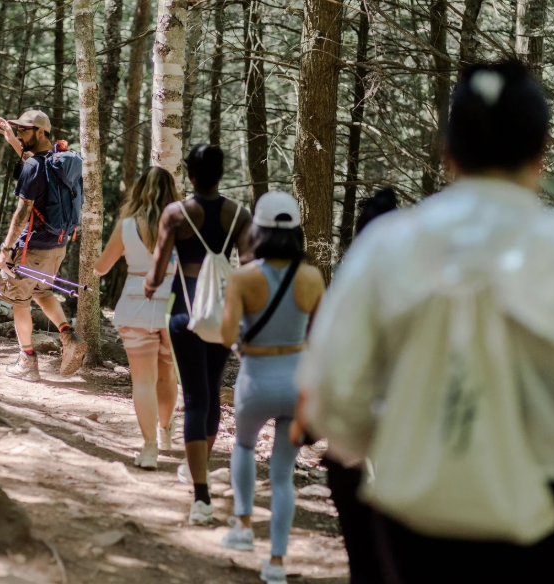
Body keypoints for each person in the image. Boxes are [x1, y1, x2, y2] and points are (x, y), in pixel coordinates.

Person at [293, 61, 554, 584]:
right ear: (541, 153)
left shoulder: (387, 246)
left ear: (449, 152)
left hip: (413, 517)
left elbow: (334, 391)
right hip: (552, 520)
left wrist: (392, 447)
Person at [218, 191, 324, 583]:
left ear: (257, 230)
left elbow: (227, 334)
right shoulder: (312, 277)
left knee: (244, 446)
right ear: (296, 231)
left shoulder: (244, 277)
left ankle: (243, 529)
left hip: (256, 379)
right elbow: (321, 336)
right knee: (283, 475)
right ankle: (277, 564)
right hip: (296, 383)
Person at [145, 144, 253, 525]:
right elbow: (251, 268)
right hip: (224, 316)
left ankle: (201, 495)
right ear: (221, 173)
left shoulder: (175, 214)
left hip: (184, 316)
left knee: (194, 397)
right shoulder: (239, 214)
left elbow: (158, 271)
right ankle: (200, 470)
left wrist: (148, 285)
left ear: (189, 174)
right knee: (210, 393)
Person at [319, 187, 397, 584]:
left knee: (363, 563)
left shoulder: (351, 285)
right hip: (403, 449)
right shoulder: (424, 283)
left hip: (352, 449)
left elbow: (326, 365)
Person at [94, 167, 182, 469]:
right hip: (175, 305)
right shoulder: (186, 225)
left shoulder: (127, 224)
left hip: (135, 304)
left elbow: (102, 266)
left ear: (139, 189)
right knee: (167, 373)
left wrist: (96, 267)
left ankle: (149, 448)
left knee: (142, 380)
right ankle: (166, 431)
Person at [0, 110, 86, 381]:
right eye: (18, 130)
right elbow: (34, 165)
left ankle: (27, 361)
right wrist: (15, 142)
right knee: (43, 293)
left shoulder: (34, 166)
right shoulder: (59, 161)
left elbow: (23, 212)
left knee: (19, 301)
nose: (20, 134)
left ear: (41, 132)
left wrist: (5, 249)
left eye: (24, 130)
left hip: (30, 249)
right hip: (57, 245)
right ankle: (69, 337)